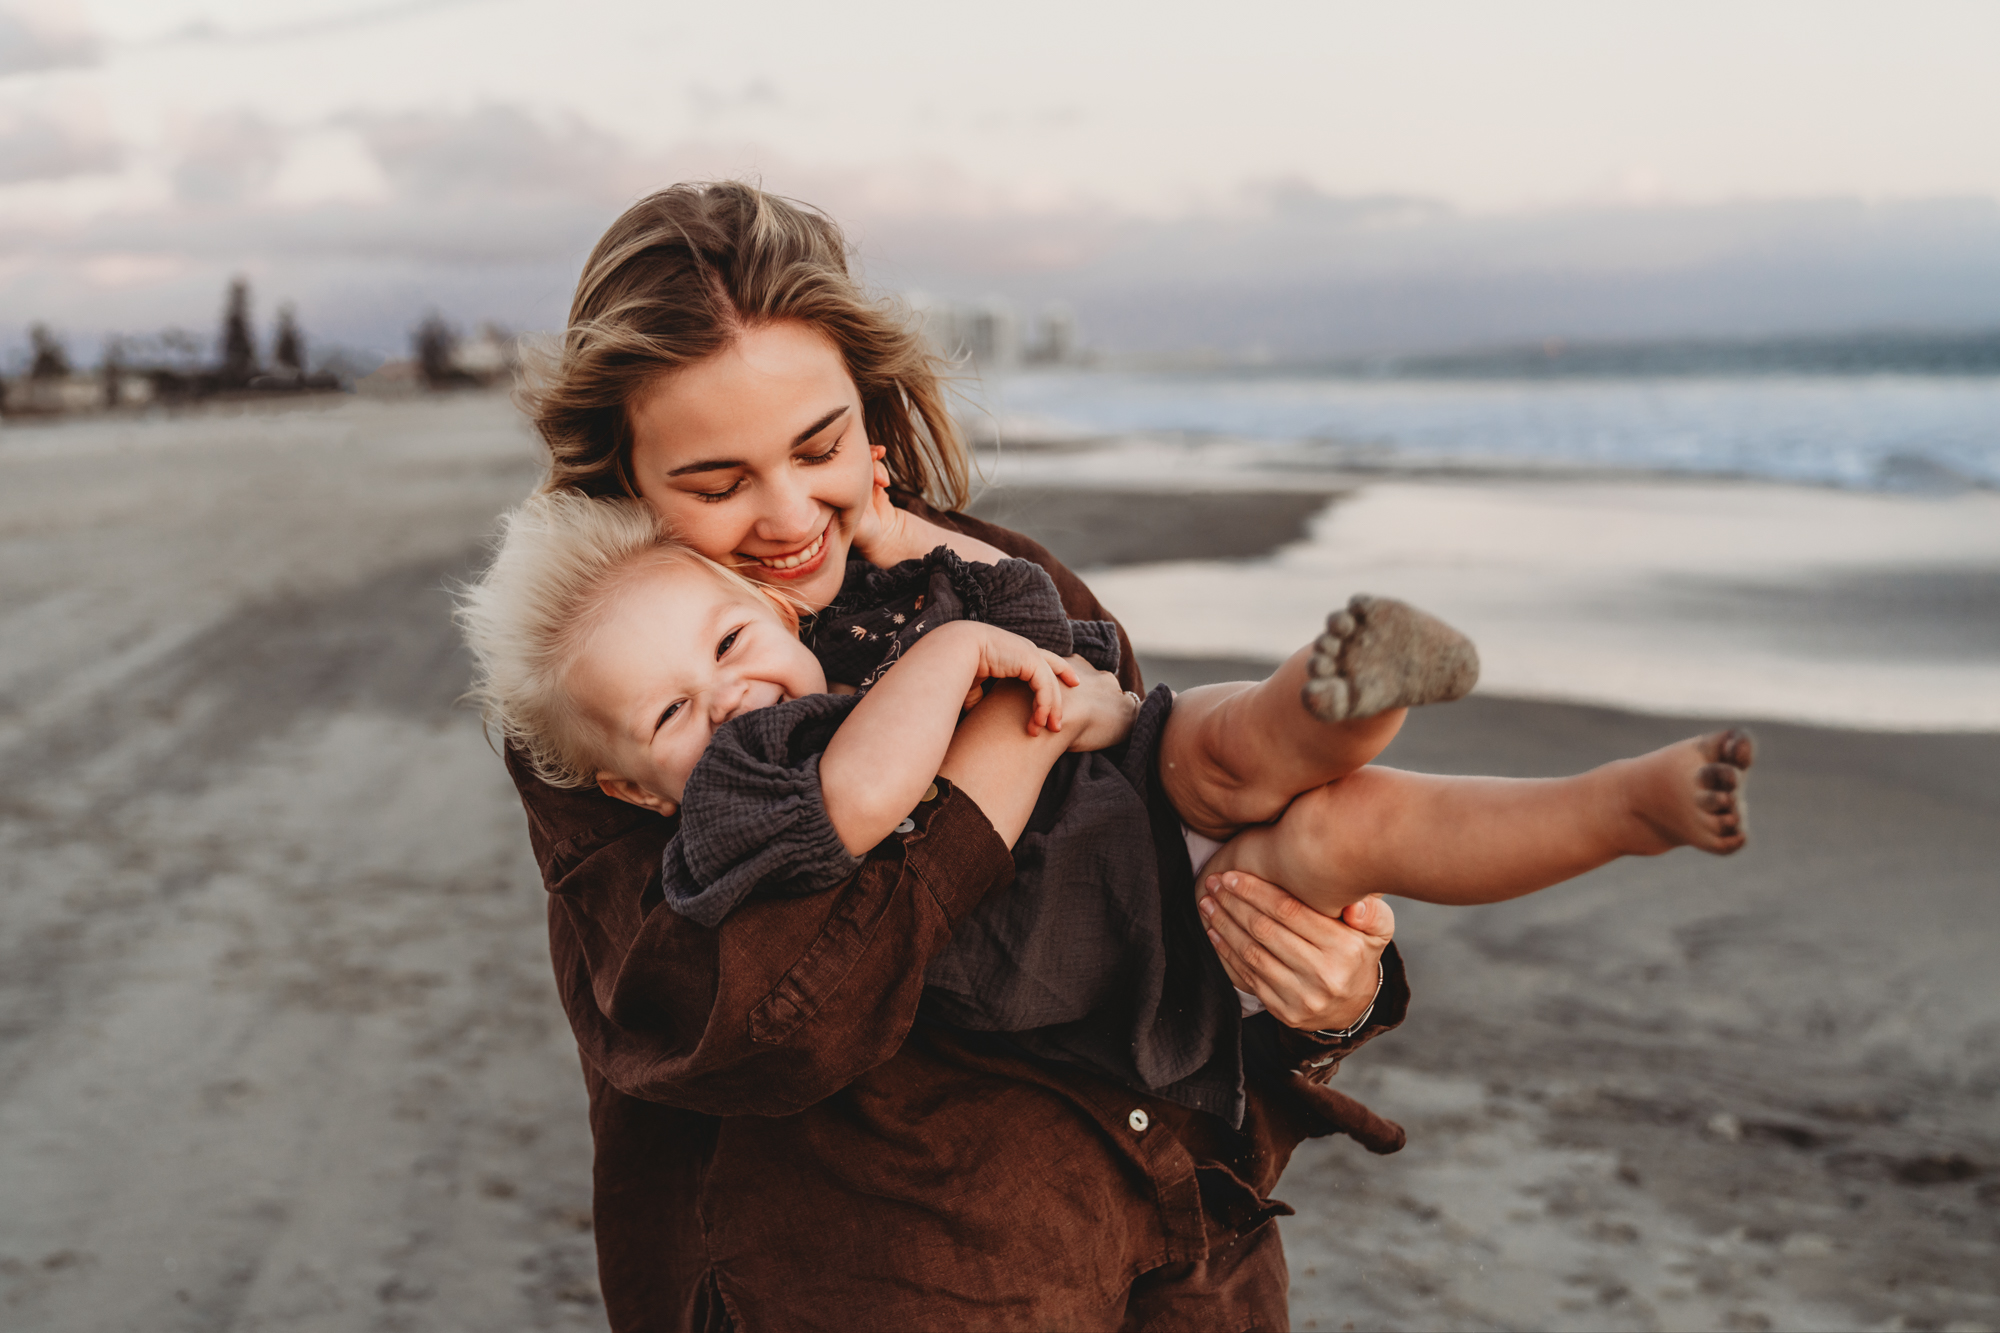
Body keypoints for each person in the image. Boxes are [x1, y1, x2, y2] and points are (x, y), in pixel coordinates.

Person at [506, 179, 1407, 1331]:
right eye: (716, 482)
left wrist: (1326, 999)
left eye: (816, 444)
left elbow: (1156, 890)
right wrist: (999, 744)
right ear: (622, 479)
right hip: (891, 1283)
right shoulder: (617, 711)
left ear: (869, 414)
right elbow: (759, 1025)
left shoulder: (992, 573)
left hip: (1184, 1262)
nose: (787, 513)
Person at [463, 488, 1754, 1107]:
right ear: (632, 780)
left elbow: (1045, 621)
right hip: (1100, 933)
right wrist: (957, 659)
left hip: (1120, 789)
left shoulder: (855, 645)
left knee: (1244, 744)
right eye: (674, 710)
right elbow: (856, 799)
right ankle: (1619, 810)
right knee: (1340, 834)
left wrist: (931, 556)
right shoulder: (730, 796)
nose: (727, 697)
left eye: (732, 646)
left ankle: (1378, 695)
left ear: (766, 610)